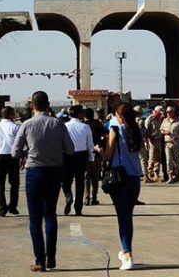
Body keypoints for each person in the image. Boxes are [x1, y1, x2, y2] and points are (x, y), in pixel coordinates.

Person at [11, 91, 74, 272]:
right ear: (48, 105)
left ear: (32, 106)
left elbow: (15, 152)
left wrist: (26, 152)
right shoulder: (59, 124)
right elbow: (70, 149)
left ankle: (40, 259)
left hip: (35, 172)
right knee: (50, 214)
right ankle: (51, 257)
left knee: (35, 218)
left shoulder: (26, 125)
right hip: (54, 172)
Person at [95, 102, 143, 270]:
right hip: (135, 178)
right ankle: (125, 251)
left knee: (123, 219)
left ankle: (128, 255)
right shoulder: (136, 130)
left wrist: (98, 150)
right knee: (128, 217)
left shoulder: (115, 129)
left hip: (120, 178)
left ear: (119, 115)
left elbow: (108, 155)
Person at [61, 105, 94, 216]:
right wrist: (91, 159)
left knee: (66, 181)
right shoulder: (85, 127)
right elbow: (90, 145)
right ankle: (78, 208)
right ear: (79, 114)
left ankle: (68, 195)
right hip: (81, 155)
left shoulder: (64, 126)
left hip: (67, 155)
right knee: (80, 182)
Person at [83, 107, 107, 205]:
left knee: (86, 177)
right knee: (95, 177)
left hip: (85, 155)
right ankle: (94, 197)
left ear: (84, 115)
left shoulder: (82, 125)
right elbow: (107, 135)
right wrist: (102, 145)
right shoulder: (98, 124)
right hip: (97, 154)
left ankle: (86, 198)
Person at [160, 106, 179, 184]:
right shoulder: (164, 121)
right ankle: (170, 176)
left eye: (170, 112)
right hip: (167, 143)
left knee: (176, 160)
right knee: (168, 160)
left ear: (173, 112)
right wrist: (166, 132)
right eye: (167, 112)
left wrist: (178, 136)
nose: (168, 114)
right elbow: (161, 131)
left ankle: (177, 175)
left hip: (176, 143)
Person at [143, 106, 164, 182]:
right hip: (152, 141)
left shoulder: (159, 119)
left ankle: (156, 175)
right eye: (159, 113)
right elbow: (146, 131)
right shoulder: (149, 119)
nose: (161, 115)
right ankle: (148, 175)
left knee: (158, 159)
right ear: (155, 111)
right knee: (151, 159)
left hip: (159, 140)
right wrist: (148, 142)